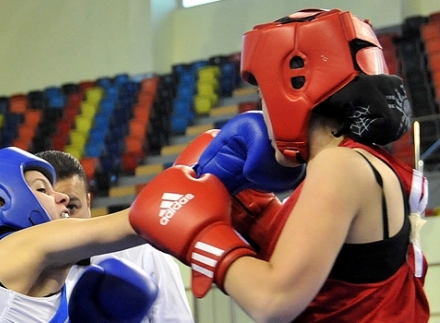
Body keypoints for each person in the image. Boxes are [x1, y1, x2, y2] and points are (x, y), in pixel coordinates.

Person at [128, 8, 430, 322]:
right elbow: (347, 284)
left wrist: (202, 237)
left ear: (291, 88)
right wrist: (252, 215)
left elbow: (273, 300)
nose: (262, 107)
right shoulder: (365, 161)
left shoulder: (340, 165)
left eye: (262, 93)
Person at [0, 147, 158, 323]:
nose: (62, 197)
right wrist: (178, 201)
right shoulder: (8, 250)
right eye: (43, 190)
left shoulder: (55, 295)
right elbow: (136, 223)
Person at [36, 150, 195, 323]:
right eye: (50, 210)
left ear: (88, 203)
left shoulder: (144, 253)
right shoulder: (20, 274)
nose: (63, 220)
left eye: (72, 207)